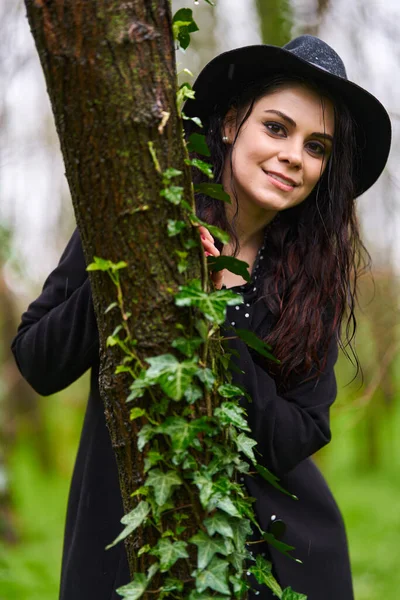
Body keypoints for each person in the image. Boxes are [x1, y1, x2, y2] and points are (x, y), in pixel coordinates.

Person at [10, 35, 391, 600]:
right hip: (128, 539)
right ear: (234, 123)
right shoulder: (143, 213)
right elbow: (39, 361)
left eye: (317, 146)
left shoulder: (312, 282)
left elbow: (297, 435)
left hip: (272, 562)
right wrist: (139, 260)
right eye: (278, 128)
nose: (294, 155)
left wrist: (222, 317)